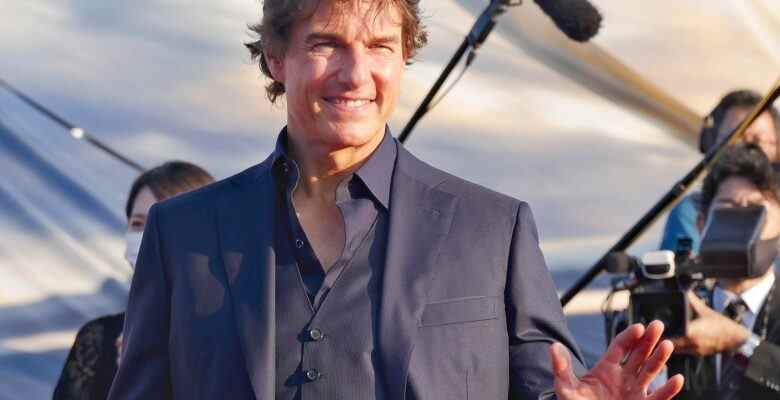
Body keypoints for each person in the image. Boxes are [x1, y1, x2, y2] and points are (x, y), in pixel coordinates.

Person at [107, 1, 683, 399]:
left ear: (404, 57)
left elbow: (544, 385)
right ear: (276, 60)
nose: (356, 73)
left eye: (380, 46)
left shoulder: (493, 229)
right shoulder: (182, 232)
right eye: (327, 44)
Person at [53, 161, 214, 400]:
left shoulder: (237, 340)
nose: (148, 236)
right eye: (138, 224)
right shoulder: (98, 339)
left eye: (165, 222)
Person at [668, 144, 780, 399]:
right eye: (727, 208)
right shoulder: (679, 309)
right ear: (701, 223)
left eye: (755, 209)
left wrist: (741, 343)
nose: (739, 221)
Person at [659, 90, 780, 253]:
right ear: (712, 144)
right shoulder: (692, 211)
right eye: (736, 139)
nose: (746, 150)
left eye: (757, 141)